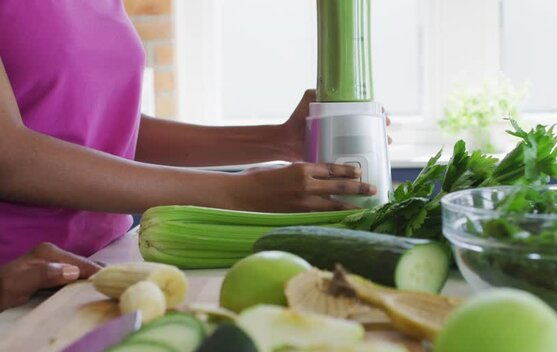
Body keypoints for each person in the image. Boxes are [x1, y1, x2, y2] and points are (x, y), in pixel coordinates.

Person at [0, 1, 387, 278]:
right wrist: (238, 193)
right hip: (18, 276)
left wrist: (277, 139)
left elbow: (112, 126)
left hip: (106, 263)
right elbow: (10, 157)